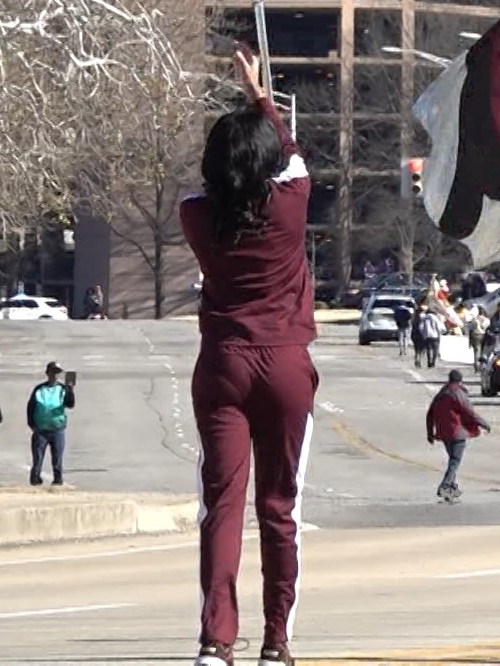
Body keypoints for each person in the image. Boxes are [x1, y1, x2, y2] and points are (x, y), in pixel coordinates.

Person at [179, 48, 318, 666]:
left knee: (222, 506)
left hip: (224, 363)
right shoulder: (290, 205)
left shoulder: (195, 216)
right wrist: (262, 98)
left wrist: (249, 114)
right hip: (286, 363)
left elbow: (234, 177)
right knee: (279, 508)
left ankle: (216, 639)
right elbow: (288, 157)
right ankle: (276, 639)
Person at [426, 369, 490, 503]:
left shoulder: (442, 393)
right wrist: (484, 424)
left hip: (443, 432)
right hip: (457, 432)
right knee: (455, 461)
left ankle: (452, 487)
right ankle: (445, 485)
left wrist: (430, 433)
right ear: (460, 380)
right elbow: (469, 412)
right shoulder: (458, 393)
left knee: (452, 460)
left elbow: (430, 414)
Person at [27, 362, 75, 486]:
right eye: (52, 372)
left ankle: (58, 480)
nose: (54, 375)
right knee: (37, 458)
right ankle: (35, 479)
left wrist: (70, 390)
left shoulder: (62, 389)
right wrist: (32, 424)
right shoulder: (39, 389)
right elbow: (31, 407)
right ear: (47, 373)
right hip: (41, 430)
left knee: (57, 458)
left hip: (57, 429)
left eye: (57, 372)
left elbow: (70, 404)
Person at [413, 305, 442, 369]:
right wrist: (439, 334)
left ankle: (429, 362)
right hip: (435, 336)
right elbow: (439, 327)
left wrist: (424, 333)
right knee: (435, 350)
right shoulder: (435, 318)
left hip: (427, 336)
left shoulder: (424, 318)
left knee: (429, 349)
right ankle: (433, 362)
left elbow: (421, 327)